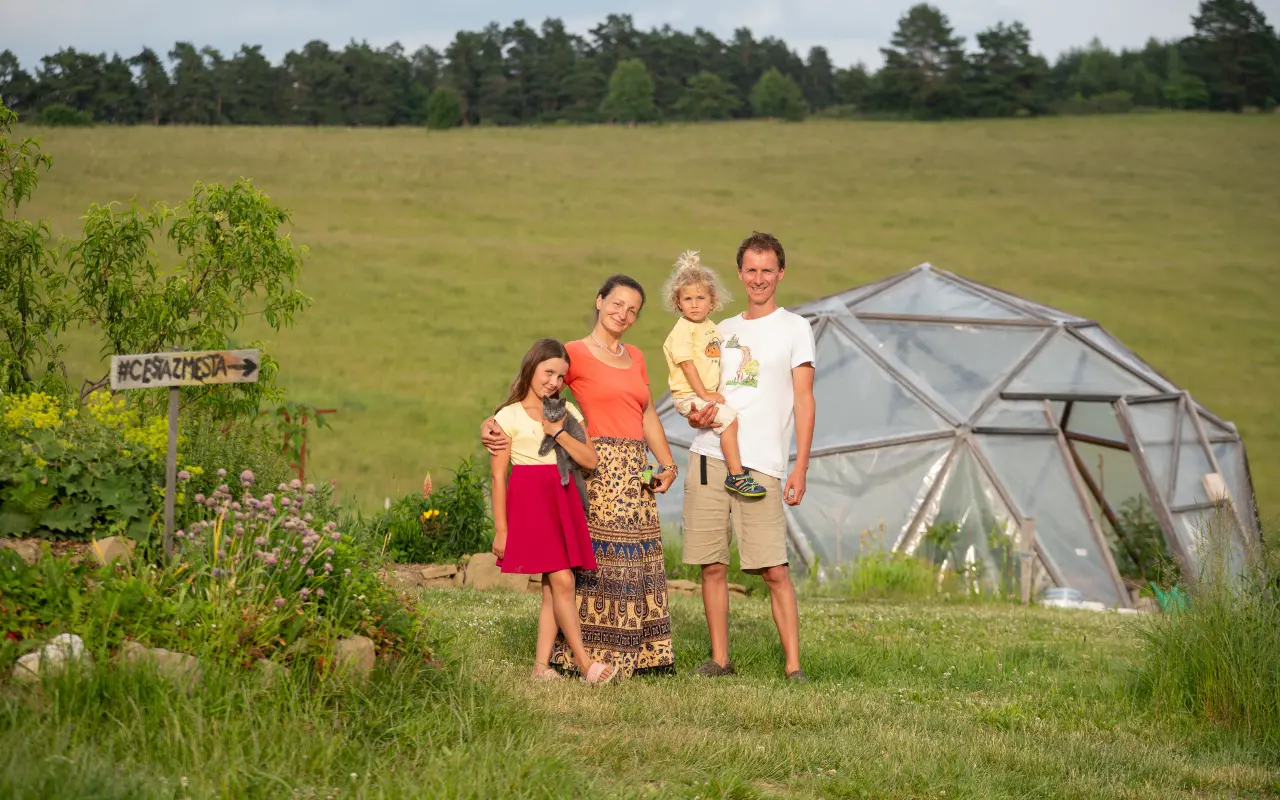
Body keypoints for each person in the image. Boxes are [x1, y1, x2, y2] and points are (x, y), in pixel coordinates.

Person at [481, 275, 679, 679]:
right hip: (591, 468)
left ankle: (637, 657)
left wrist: (668, 463)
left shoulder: (636, 356)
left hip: (634, 470)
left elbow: (645, 412)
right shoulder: (573, 354)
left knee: (636, 564)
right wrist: (492, 421)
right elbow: (534, 391)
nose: (623, 314)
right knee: (589, 566)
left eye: (633, 310)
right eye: (617, 303)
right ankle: (579, 658)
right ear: (599, 300)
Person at [682, 231, 816, 681]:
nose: (758, 278)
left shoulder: (796, 328)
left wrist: (801, 463)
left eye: (767, 270)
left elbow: (804, 399)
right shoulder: (720, 330)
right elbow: (700, 391)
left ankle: (794, 665)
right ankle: (720, 660)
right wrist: (697, 417)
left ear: (780, 273)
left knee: (774, 569)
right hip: (708, 454)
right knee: (712, 564)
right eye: (750, 270)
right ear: (739, 273)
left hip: (762, 462)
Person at [488, 338, 618, 685]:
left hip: (563, 497)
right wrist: (501, 529)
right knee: (562, 579)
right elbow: (498, 477)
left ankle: (540, 667)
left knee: (552, 586)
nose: (553, 382)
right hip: (530, 501)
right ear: (532, 367)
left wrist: (558, 432)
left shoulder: (566, 412)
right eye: (548, 372)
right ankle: (585, 663)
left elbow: (589, 460)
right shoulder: (507, 416)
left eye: (561, 377)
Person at [660, 250, 765, 499]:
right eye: (687, 299)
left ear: (712, 300)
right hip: (689, 395)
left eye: (700, 298)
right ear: (678, 303)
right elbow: (687, 365)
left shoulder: (711, 329)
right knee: (729, 421)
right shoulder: (683, 330)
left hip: (703, 394)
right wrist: (705, 393)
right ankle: (737, 475)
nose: (694, 304)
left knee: (730, 421)